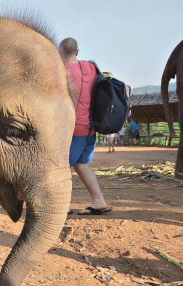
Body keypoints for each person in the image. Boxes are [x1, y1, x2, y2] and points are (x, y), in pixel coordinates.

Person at [59, 37, 111, 215]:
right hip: (91, 127)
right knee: (81, 164)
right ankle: (99, 201)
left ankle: (61, 206)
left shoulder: (61, 71)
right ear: (78, 51)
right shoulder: (91, 67)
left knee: (62, 166)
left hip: (75, 128)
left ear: (60, 52)